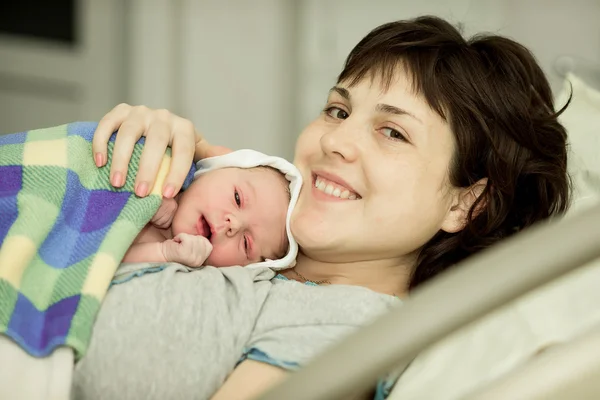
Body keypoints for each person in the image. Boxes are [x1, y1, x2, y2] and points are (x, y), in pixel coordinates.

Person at [73, 15, 570, 400]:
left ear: (467, 202)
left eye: (392, 132)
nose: (336, 139)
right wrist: (138, 158)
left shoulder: (349, 324)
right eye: (338, 109)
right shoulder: (243, 219)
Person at [123, 162, 292, 268]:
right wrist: (141, 198)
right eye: (237, 198)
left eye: (246, 243)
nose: (234, 224)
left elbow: (104, 260)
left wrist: (163, 253)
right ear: (217, 168)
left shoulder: (182, 272)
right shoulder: (160, 163)